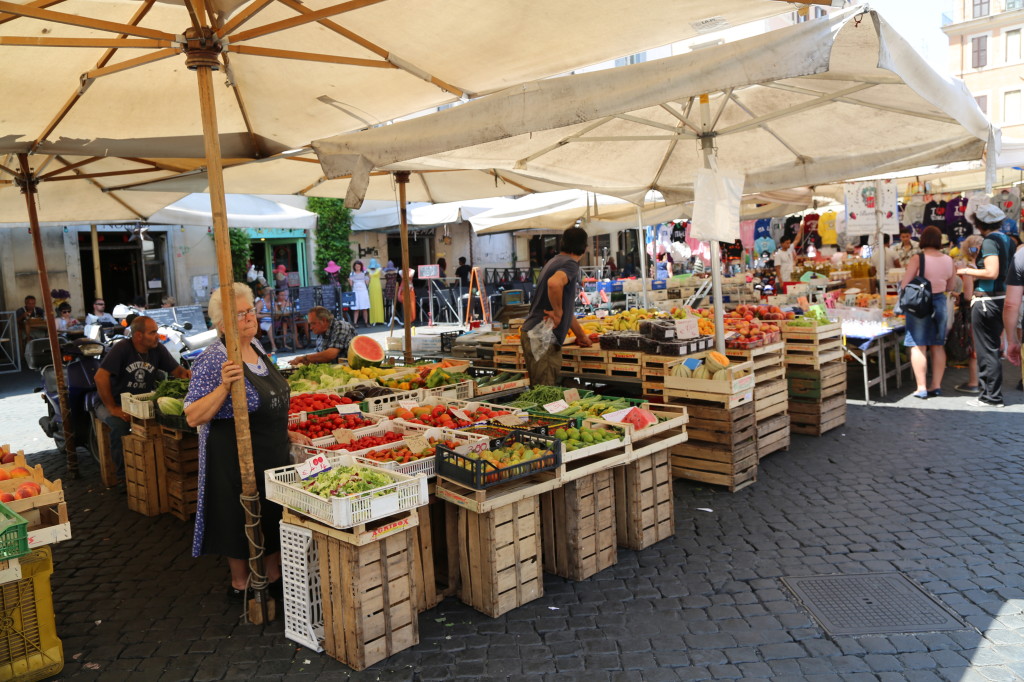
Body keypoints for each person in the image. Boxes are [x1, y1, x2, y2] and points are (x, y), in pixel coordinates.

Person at [184, 284, 310, 602]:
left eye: (250, 310)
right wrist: (224, 387)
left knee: (270, 514)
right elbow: (192, 415)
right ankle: (241, 586)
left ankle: (273, 577)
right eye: (239, 314)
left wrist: (284, 431)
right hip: (233, 456)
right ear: (221, 324)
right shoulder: (214, 359)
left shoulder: (254, 346)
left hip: (271, 449)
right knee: (236, 518)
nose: (249, 318)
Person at [94, 316, 191, 477]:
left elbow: (178, 372)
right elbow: (100, 377)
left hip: (142, 403)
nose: (157, 336)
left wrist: (188, 375)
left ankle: (159, 471)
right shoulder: (122, 348)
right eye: (153, 332)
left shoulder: (157, 349)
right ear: (138, 335)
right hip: (110, 403)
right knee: (120, 426)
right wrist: (113, 408)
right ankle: (124, 478)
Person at [520, 227, 593, 387]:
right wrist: (558, 312)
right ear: (585, 248)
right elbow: (554, 284)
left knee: (541, 387)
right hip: (543, 335)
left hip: (535, 333)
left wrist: (580, 335)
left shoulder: (554, 261)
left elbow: (567, 310)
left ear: (562, 243)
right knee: (545, 392)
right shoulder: (570, 264)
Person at [956, 204, 1012, 407]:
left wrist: (966, 272)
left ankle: (991, 396)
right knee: (992, 349)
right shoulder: (1007, 240)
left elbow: (991, 272)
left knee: (986, 350)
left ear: (979, 223)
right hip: (1000, 299)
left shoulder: (990, 242)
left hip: (987, 300)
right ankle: (990, 395)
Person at [900, 226, 956, 399]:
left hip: (920, 304)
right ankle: (936, 385)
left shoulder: (918, 258)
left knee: (919, 344)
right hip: (940, 302)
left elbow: (904, 284)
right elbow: (951, 287)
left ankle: (921, 387)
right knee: (938, 345)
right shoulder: (948, 259)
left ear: (923, 239)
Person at [952, 235, 983, 395]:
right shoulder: (989, 266)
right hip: (989, 309)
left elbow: (968, 296)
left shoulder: (969, 268)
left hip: (974, 311)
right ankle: (987, 381)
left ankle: (974, 382)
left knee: (974, 350)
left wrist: (959, 296)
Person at [256, 285, 279, 353]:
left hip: (272, 321)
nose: (274, 295)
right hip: (262, 323)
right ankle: (273, 345)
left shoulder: (273, 302)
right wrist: (267, 315)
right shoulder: (260, 302)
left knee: (285, 322)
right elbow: (255, 315)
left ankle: (285, 344)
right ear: (268, 294)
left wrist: (276, 308)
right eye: (273, 293)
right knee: (269, 325)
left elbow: (277, 314)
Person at [349, 260, 370, 326]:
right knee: (356, 308)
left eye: (359, 266)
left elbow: (367, 283)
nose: (357, 267)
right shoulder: (352, 274)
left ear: (361, 266)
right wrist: (350, 280)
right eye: (356, 266)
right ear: (354, 267)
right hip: (356, 291)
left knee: (364, 308)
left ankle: (366, 322)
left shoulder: (364, 273)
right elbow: (351, 284)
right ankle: (355, 323)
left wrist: (368, 278)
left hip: (363, 291)